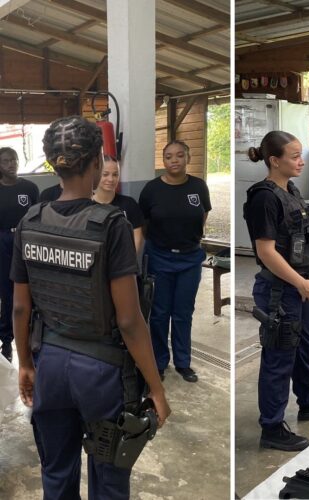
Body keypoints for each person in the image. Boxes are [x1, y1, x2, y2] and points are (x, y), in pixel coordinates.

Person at [11, 116, 170, 498]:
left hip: (49, 362)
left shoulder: (30, 220)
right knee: (110, 476)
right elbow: (130, 320)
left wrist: (27, 365)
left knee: (56, 471)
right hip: (101, 373)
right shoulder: (110, 224)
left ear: (53, 163)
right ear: (98, 162)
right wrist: (156, 388)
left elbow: (19, 309)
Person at [244, 131, 309, 451]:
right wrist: (300, 282)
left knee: (303, 348)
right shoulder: (264, 198)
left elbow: (303, 236)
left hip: (301, 285)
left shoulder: (290, 190)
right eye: (294, 157)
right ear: (274, 161)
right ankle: (272, 427)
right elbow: (266, 251)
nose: (301, 161)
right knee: (279, 356)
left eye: (300, 155)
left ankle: (307, 402)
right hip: (280, 290)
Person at [139, 141, 211, 382]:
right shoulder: (151, 190)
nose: (174, 160)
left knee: (183, 312)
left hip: (190, 259)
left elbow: (202, 216)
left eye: (180, 155)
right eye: (169, 156)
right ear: (163, 161)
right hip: (159, 257)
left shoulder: (198, 186)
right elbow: (144, 224)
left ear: (188, 157)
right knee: (159, 313)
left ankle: (183, 362)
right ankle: (159, 361)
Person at [0, 147, 39, 362]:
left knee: (30, 286)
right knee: (7, 291)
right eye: (6, 161)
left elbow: (37, 216)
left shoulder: (30, 188)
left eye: (14, 159)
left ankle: (34, 333)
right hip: (3, 240)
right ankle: (6, 339)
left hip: (26, 238)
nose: (12, 164)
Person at [93, 155, 145, 253]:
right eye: (105, 174)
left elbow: (136, 239)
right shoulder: (87, 205)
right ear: (97, 174)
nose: (111, 179)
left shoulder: (129, 204)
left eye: (115, 174)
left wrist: (126, 263)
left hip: (123, 264)